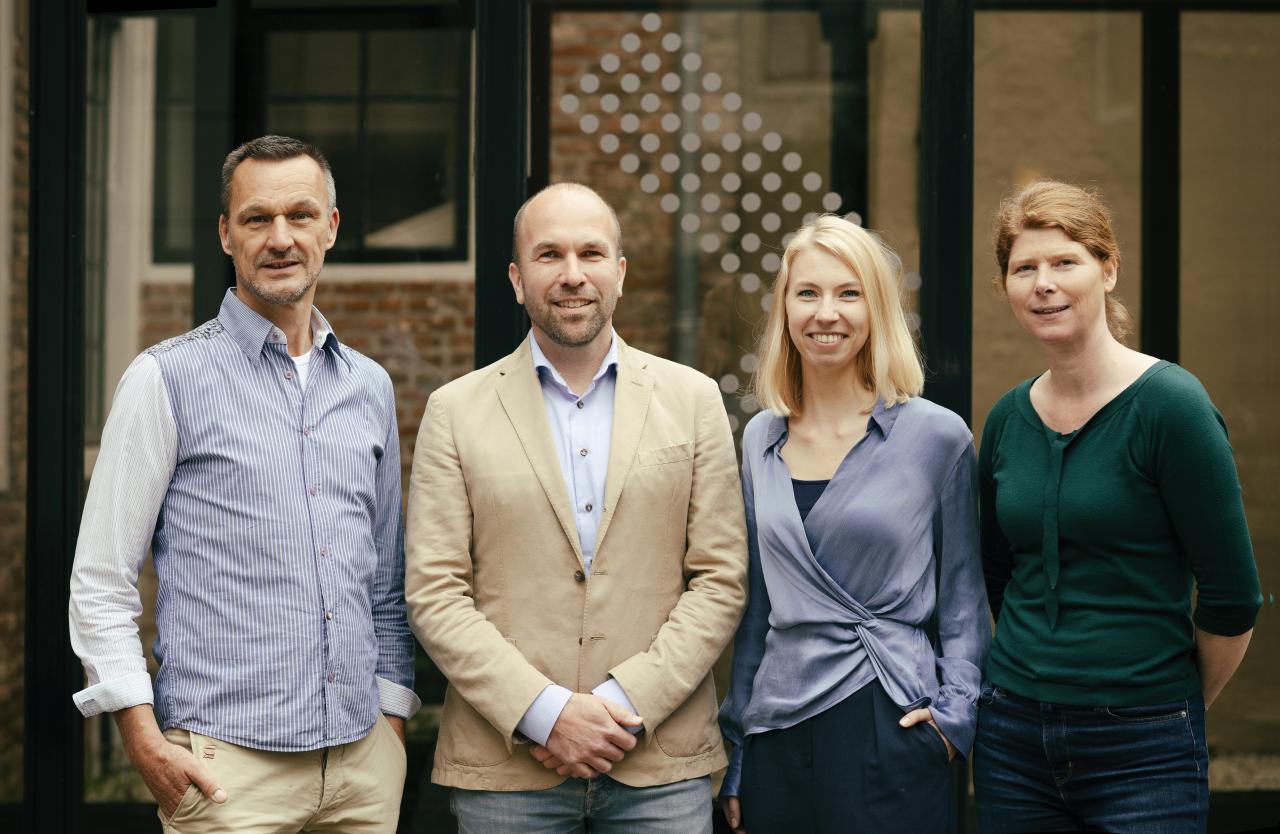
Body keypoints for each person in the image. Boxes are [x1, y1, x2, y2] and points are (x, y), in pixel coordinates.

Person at [68, 135, 418, 833]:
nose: (281, 238)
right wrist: (141, 739)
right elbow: (102, 579)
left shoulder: (369, 388)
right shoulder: (164, 379)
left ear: (332, 228)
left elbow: (383, 581)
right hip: (227, 775)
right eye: (257, 219)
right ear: (226, 234)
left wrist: (392, 725)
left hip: (361, 770)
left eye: (301, 215)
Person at [405, 182, 748, 833]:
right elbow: (434, 592)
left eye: (591, 254)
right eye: (548, 255)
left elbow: (721, 577)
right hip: (508, 773)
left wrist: (623, 705)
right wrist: (547, 712)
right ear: (516, 277)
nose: (571, 275)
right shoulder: (455, 412)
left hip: (658, 767)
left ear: (618, 273)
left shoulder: (693, 400)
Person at [973, 179, 1263, 833]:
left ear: (1107, 268)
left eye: (1064, 262)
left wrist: (1172, 703)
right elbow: (997, 575)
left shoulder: (1172, 407)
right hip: (1013, 741)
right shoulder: (1008, 420)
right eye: (1025, 268)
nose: (1043, 283)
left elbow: (1232, 597)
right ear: (1006, 288)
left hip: (1145, 746)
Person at [718, 215, 991, 834]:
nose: (826, 313)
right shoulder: (761, 437)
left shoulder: (935, 436)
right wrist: (738, 750)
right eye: (807, 293)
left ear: (878, 308)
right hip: (777, 729)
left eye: (849, 293)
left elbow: (964, 605)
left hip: (888, 715)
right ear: (784, 308)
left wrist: (954, 722)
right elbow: (758, 608)